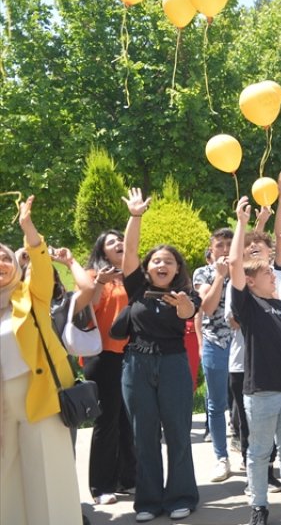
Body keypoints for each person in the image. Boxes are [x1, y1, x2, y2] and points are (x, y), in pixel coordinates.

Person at [113, 188, 202, 521]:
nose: (162, 264)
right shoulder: (136, 286)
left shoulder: (186, 292)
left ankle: (181, 495)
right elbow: (131, 250)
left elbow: (188, 313)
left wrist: (183, 306)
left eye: (169, 261)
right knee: (143, 434)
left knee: (178, 431)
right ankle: (148, 501)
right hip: (135, 364)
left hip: (173, 365)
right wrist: (135, 216)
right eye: (156, 261)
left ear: (177, 267)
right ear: (147, 268)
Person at [0, 195, 84, 525]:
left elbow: (41, 260)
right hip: (3, 406)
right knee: (7, 478)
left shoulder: (30, 293)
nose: (0, 266)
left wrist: (28, 227)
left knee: (48, 474)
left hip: (39, 395)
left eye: (4, 258)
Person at [227, 197, 281, 525]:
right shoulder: (247, 306)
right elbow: (234, 263)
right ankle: (258, 506)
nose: (274, 277)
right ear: (250, 282)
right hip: (261, 392)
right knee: (259, 453)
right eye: (267, 275)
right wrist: (243, 223)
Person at [82, 228, 138, 505]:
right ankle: (100, 486)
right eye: (111, 242)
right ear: (102, 250)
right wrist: (100, 284)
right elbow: (85, 310)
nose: (118, 243)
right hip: (103, 356)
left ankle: (128, 479)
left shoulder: (131, 274)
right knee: (107, 421)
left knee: (127, 421)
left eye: (120, 239)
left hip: (131, 355)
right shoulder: (93, 275)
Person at [193, 227, 234, 484]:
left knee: (247, 404)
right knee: (216, 404)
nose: (225, 250)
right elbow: (206, 307)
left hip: (243, 344)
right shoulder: (203, 272)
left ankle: (253, 453)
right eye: (220, 245)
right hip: (215, 343)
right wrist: (220, 276)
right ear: (212, 248)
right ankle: (221, 457)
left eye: (230, 244)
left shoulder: (244, 270)